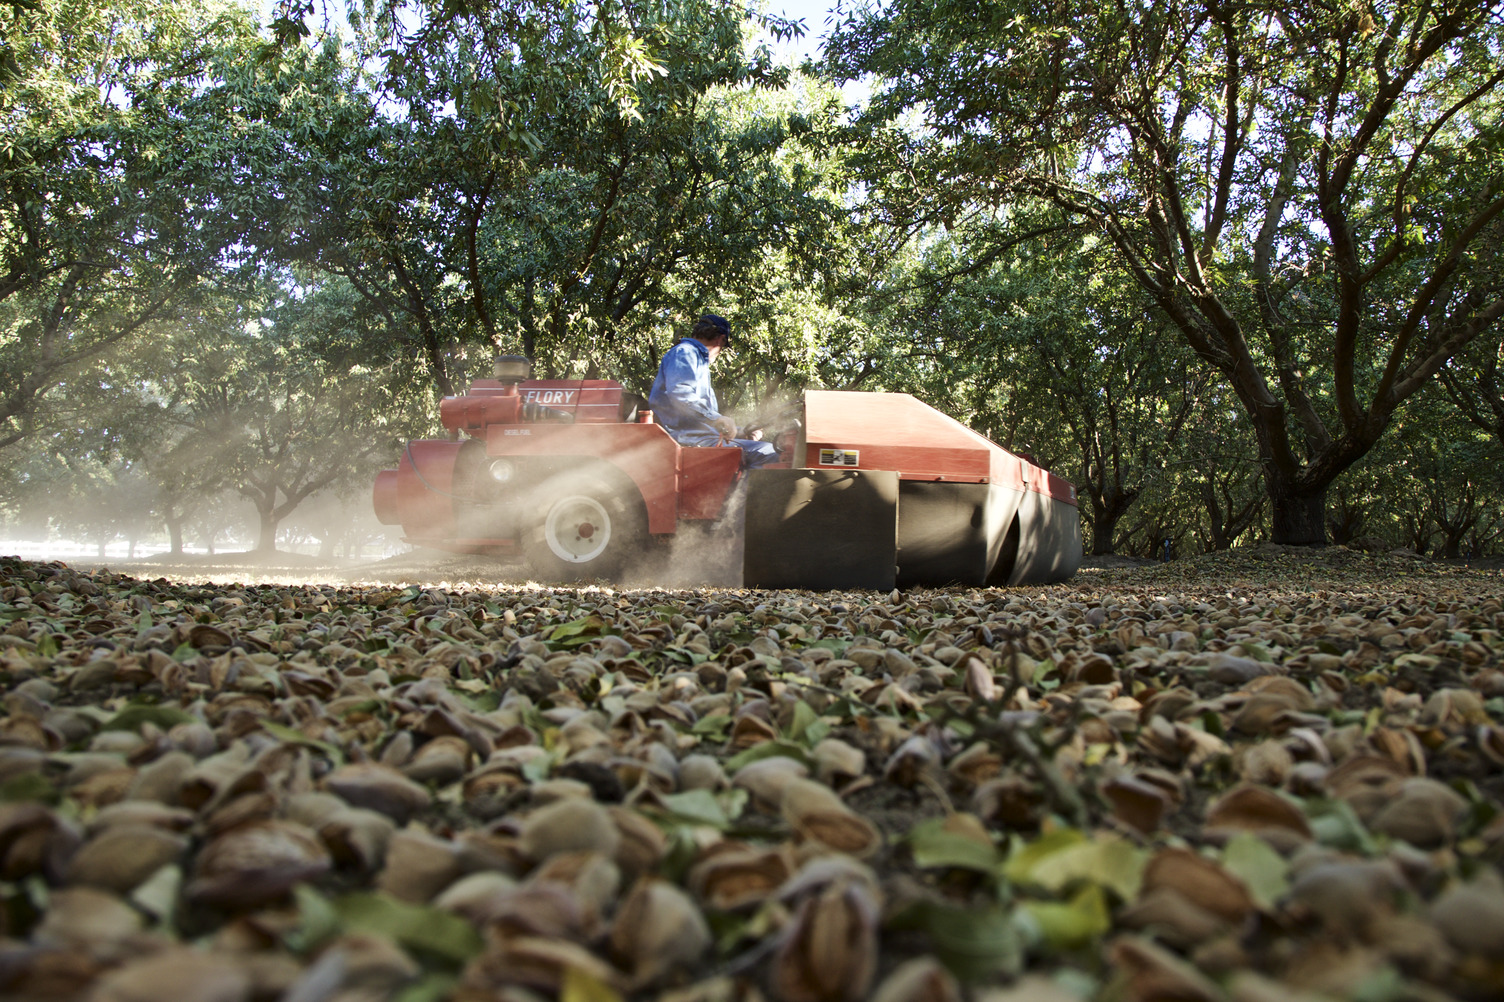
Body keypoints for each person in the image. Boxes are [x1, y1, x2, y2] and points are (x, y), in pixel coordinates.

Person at [648, 314, 779, 468]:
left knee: (762, 450)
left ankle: (739, 491)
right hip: (686, 438)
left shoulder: (693, 358)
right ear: (720, 340)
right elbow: (681, 394)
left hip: (697, 436)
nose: (720, 350)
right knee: (770, 453)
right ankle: (742, 493)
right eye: (723, 346)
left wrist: (741, 431)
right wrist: (716, 418)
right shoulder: (685, 352)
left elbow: (702, 421)